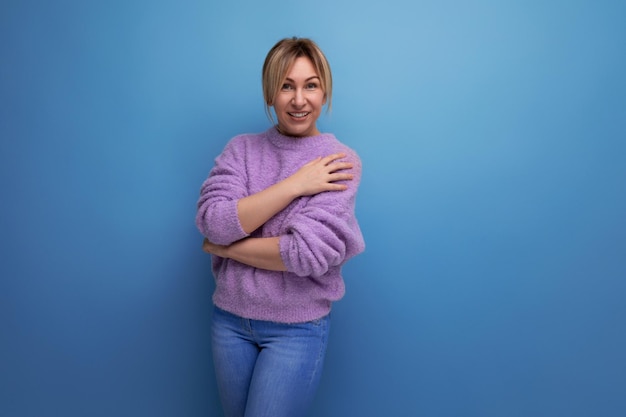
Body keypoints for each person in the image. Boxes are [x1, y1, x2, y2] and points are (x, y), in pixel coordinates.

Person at [196, 37, 365, 417]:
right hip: (229, 322)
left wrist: (226, 249)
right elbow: (213, 220)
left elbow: (303, 254)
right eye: (286, 86)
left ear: (325, 91)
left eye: (311, 85)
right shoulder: (241, 150)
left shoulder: (340, 162)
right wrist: (295, 185)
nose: (299, 99)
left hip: (296, 330)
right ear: (270, 93)